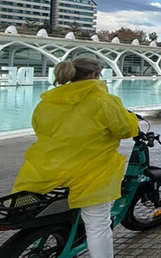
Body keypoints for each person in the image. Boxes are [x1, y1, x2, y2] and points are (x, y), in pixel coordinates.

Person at [12, 58, 139, 258]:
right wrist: (131, 118)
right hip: (92, 173)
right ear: (94, 75)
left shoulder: (47, 102)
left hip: (46, 169)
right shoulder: (103, 101)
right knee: (97, 224)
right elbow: (125, 129)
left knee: (48, 211)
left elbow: (40, 129)